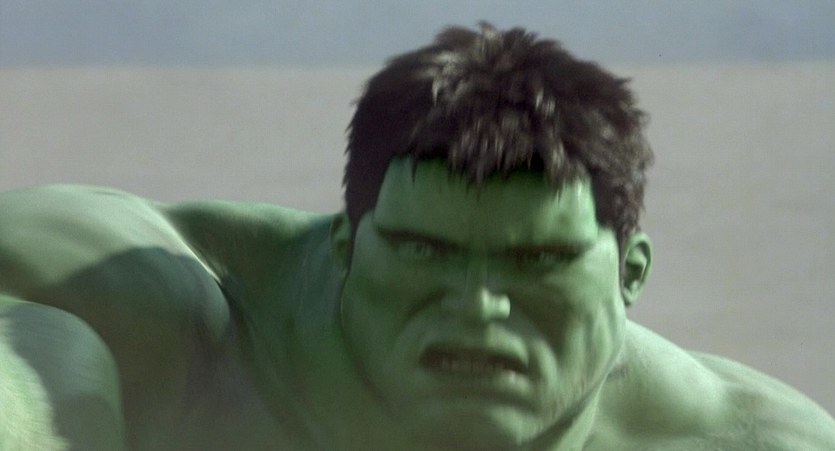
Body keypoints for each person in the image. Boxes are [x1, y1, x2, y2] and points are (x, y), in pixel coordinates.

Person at [1, 23, 833, 451]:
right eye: (423, 251)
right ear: (345, 247)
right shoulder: (165, 324)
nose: (477, 306)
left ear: (630, 273)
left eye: (536, 261)